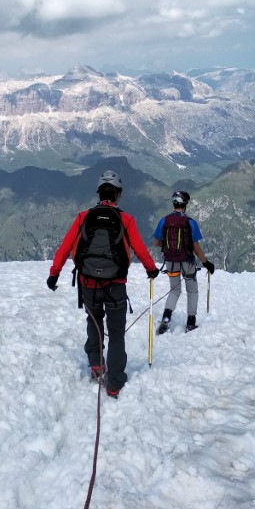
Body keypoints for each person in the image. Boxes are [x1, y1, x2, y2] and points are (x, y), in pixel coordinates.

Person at [46, 170, 159, 399]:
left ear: (99, 193)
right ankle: (114, 383)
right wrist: (151, 269)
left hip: (88, 284)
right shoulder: (126, 220)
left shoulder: (83, 217)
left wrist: (54, 274)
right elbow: (139, 249)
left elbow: (65, 248)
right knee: (116, 333)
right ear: (118, 194)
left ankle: (97, 365)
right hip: (115, 285)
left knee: (94, 321)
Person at [152, 190, 214, 334]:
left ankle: (166, 319)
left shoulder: (164, 221)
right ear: (185, 205)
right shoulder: (191, 223)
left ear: (173, 204)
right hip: (187, 262)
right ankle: (190, 323)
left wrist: (166, 242)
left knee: (174, 290)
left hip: (171, 261)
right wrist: (206, 263)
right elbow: (196, 248)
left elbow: (155, 243)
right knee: (192, 290)